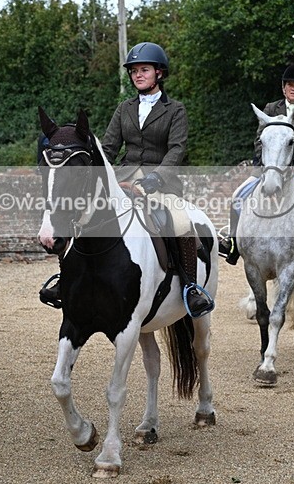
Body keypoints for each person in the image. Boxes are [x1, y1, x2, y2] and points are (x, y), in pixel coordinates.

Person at [40, 41, 213, 316]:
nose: (138, 75)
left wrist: (156, 178)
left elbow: (176, 150)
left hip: (161, 183)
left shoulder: (175, 110)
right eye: (134, 71)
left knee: (180, 220)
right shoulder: (124, 108)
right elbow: (108, 148)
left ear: (159, 73)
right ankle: (67, 279)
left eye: (144, 70)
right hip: (123, 179)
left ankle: (191, 287)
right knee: (82, 214)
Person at [220, 63, 294, 265]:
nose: (293, 88)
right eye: (289, 85)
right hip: (270, 167)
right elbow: (260, 139)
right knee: (238, 194)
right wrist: (265, 162)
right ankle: (232, 240)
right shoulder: (270, 109)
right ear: (283, 87)